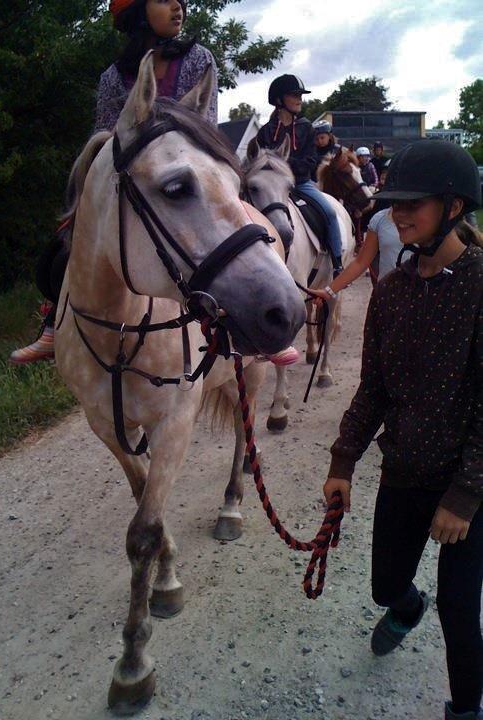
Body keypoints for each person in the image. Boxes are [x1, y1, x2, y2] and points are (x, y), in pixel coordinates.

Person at [323, 139, 483, 720]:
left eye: (414, 203)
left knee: (461, 611)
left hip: (467, 484)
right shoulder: (390, 292)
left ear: (455, 206)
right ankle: (404, 607)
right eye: (394, 203)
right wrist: (343, 462)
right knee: (386, 587)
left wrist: (463, 499)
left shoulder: (480, 287)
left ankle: (467, 709)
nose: (399, 214)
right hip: (404, 472)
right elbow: (373, 389)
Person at [10, 0, 218, 364]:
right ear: (138, 12)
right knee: (62, 247)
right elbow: (104, 133)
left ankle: (256, 323)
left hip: (187, 170)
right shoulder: (113, 76)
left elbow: (205, 125)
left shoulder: (200, 60)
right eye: (164, 0)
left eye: (179, 1)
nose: (178, 7)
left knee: (247, 223)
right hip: (130, 177)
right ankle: (53, 325)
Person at [256, 75, 344, 276]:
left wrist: (281, 163)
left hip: (301, 184)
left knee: (329, 213)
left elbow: (310, 162)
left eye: (300, 95)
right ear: (279, 100)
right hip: (272, 187)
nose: (300, 99)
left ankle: (337, 261)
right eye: (294, 95)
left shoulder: (307, 128)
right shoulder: (265, 132)